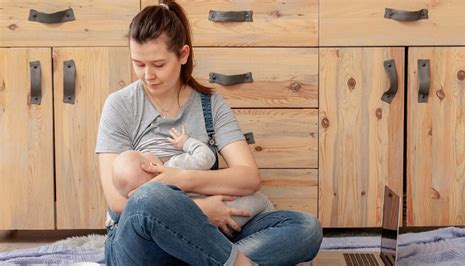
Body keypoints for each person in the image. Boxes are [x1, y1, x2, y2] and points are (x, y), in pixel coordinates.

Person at [95, 1, 323, 265]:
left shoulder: (210, 105)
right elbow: (117, 201)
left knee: (305, 228)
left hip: (207, 238)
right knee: (149, 196)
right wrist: (199, 211)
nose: (148, 75)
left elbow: (248, 177)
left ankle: (211, 259)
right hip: (141, 244)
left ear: (182, 54)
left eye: (158, 64)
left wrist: (180, 179)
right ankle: (235, 262)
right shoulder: (121, 105)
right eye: (139, 64)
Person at [111, 126, 274, 229]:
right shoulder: (174, 165)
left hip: (190, 231)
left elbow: (116, 209)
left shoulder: (148, 204)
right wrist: (187, 143)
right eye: (142, 154)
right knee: (260, 201)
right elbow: (207, 158)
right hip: (224, 213)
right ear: (150, 166)